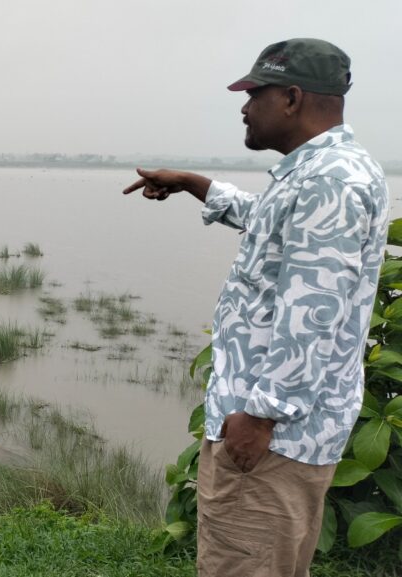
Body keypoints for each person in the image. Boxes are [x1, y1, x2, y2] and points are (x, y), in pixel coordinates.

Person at [122, 38, 389, 577]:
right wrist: (195, 185)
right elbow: (270, 222)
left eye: (253, 94)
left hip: (268, 441)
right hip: (276, 432)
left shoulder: (328, 184)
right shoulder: (322, 172)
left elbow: (313, 312)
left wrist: (261, 416)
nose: (243, 108)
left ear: (291, 98)